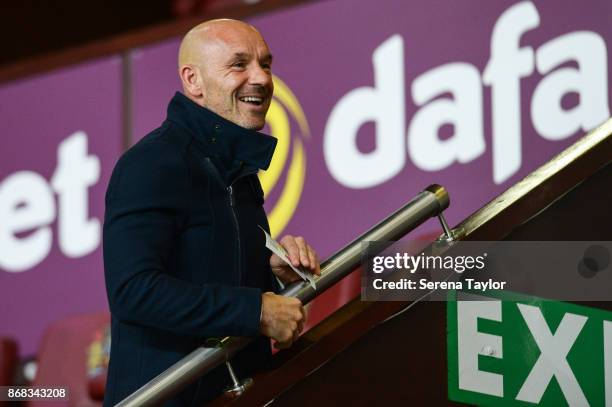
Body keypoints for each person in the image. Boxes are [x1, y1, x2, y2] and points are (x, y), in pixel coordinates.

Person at [103, 19, 320, 406]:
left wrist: (274, 276)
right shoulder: (150, 163)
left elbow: (211, 280)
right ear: (193, 81)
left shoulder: (239, 170)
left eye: (265, 64)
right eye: (239, 65)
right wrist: (255, 310)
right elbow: (133, 291)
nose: (261, 78)